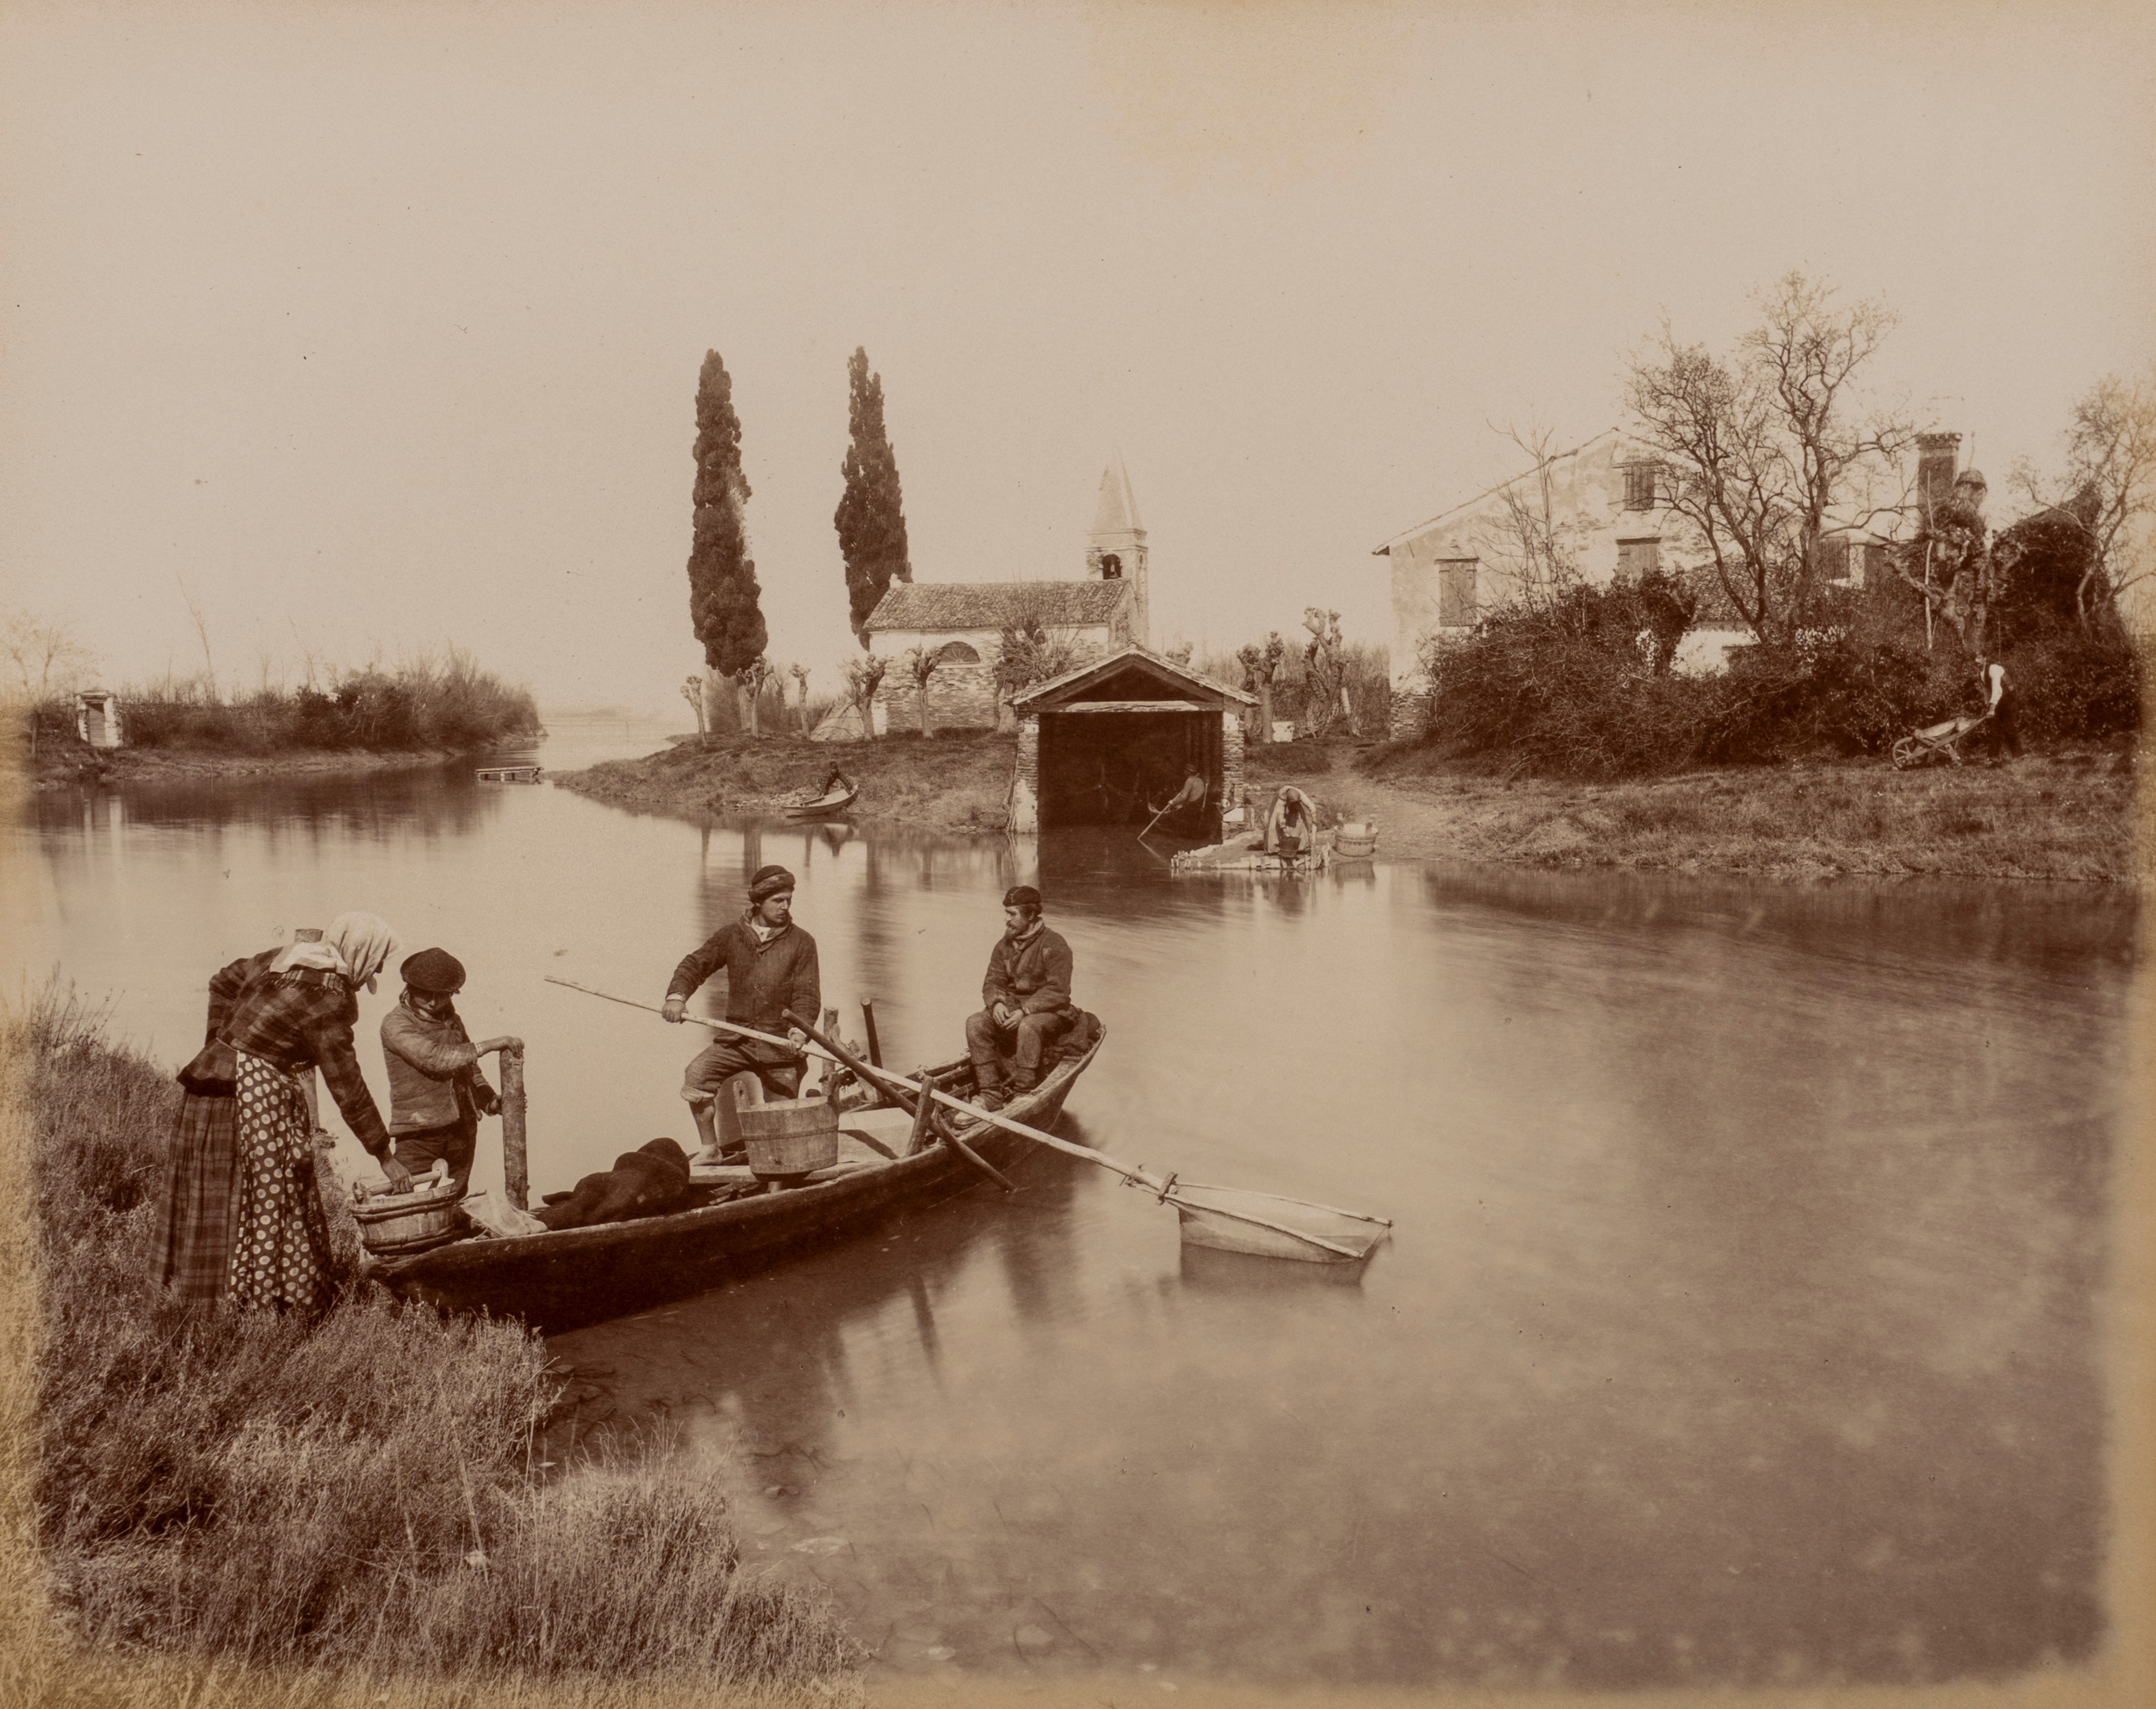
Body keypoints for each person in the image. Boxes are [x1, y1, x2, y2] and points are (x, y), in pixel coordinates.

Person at [156, 911, 404, 1312]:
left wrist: (220, 1041)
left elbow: (223, 979)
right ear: (360, 953)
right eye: (376, 961)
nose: (375, 971)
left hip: (208, 1088)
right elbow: (347, 1084)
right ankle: (262, 1302)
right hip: (246, 1100)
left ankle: (205, 1298)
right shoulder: (330, 998)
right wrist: (384, 1155)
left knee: (217, 1194)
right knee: (267, 1195)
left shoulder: (286, 957)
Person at [664, 864, 821, 1165]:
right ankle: (710, 1149)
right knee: (697, 1075)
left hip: (781, 1046)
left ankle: (779, 1173)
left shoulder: (802, 943)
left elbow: (807, 996)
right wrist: (676, 997)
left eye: (789, 899)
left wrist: (799, 1032)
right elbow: (695, 965)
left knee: (780, 1125)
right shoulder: (732, 936)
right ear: (759, 902)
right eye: (778, 901)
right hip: (737, 1040)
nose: (785, 906)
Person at [379, 948, 521, 1197]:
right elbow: (435, 1059)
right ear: (410, 988)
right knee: (412, 1206)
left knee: (454, 1204)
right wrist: (489, 1045)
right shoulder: (397, 1023)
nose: (434, 1002)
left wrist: (491, 1102)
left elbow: (469, 1070)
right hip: (419, 1136)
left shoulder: (452, 1020)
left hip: (461, 1132)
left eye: (442, 995)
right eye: (426, 994)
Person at [964, 885, 1078, 1112]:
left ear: (1031, 915)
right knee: (975, 1023)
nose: (1006, 920)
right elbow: (993, 980)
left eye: (1012, 914)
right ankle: (991, 1094)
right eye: (1006, 913)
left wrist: (1025, 1010)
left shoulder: (1055, 944)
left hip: (1051, 1012)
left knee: (1028, 1027)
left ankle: (1024, 1092)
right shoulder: (1004, 945)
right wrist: (996, 1003)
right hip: (1013, 1007)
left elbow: (1058, 990)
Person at [1974, 653, 2023, 764]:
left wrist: (1992, 709)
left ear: (1985, 658)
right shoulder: (1980, 673)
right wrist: (1988, 706)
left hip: (2008, 699)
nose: (1976, 661)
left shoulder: (1993, 669)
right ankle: (1993, 757)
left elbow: (1997, 690)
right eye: (1975, 658)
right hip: (1999, 700)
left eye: (1979, 658)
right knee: (1994, 728)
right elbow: (1987, 691)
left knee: (2009, 727)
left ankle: (2019, 755)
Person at [1264, 785, 1321, 857]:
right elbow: (1280, 815)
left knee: (1299, 824)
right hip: (1281, 807)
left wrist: (1314, 816)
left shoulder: (1300, 794)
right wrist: (1284, 829)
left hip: (1296, 806)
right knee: (1274, 826)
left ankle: (1300, 847)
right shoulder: (1282, 798)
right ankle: (1277, 848)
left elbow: (1310, 805)